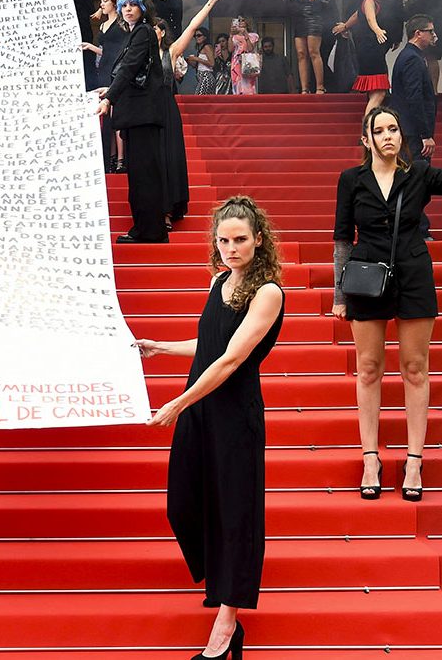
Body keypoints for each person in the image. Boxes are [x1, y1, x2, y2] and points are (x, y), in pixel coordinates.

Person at [333, 106, 442, 502]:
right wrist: (340, 295)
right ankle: (370, 459)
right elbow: (343, 239)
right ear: (367, 140)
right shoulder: (351, 180)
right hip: (365, 279)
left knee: (415, 369)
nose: (388, 136)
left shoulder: (419, 175)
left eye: (393, 128)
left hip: (413, 276)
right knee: (367, 369)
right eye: (379, 131)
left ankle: (414, 459)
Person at [137, 196, 285, 660]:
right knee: (182, 503)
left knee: (235, 513)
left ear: (258, 240)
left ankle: (227, 619)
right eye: (223, 240)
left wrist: (179, 402)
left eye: (240, 240)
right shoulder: (219, 280)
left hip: (232, 414)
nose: (231, 248)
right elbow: (208, 343)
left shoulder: (268, 292)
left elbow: (233, 358)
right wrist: (160, 347)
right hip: (201, 406)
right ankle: (219, 581)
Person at [96, 0, 167, 244]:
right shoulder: (138, 33)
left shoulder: (143, 32)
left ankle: (148, 231)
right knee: (140, 174)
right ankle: (148, 229)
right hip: (139, 114)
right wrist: (111, 89)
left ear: (142, 8)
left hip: (142, 114)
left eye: (132, 5)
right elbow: (126, 71)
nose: (127, 9)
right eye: (124, 5)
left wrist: (109, 98)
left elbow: (129, 68)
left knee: (143, 175)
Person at [157, 0, 220, 227]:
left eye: (154, 30)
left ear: (162, 33)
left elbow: (192, 26)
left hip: (167, 110)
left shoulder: (171, 52)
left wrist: (210, 3)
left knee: (170, 159)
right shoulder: (139, 53)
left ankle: (169, 209)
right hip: (147, 111)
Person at [334, 0, 395, 118]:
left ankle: (369, 126)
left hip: (367, 52)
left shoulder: (366, 2)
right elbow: (370, 18)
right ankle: (367, 128)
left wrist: (345, 26)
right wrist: (377, 30)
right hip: (372, 52)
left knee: (375, 93)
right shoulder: (369, 1)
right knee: (379, 93)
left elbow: (357, 15)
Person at [83, 0, 124, 171]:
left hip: (116, 70)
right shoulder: (102, 26)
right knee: (106, 117)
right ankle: (111, 157)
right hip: (103, 69)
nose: (101, 4)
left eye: (105, 1)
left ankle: (121, 160)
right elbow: (106, 51)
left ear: (114, 2)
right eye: (101, 1)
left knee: (116, 115)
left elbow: (121, 51)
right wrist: (91, 47)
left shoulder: (122, 23)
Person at [389, 15, 437, 165]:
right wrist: (425, 134)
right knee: (416, 177)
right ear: (418, 33)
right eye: (430, 31)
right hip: (413, 131)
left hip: (409, 129)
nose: (434, 35)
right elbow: (414, 97)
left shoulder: (408, 55)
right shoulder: (412, 59)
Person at [285, 0, 329, 93]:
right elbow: (287, 0)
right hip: (300, 21)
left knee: (313, 52)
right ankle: (304, 89)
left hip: (314, 20)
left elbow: (327, 3)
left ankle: (320, 86)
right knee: (301, 54)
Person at [71, 0, 101, 90]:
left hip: (84, 22)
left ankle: (90, 87)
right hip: (64, 24)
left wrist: (101, 9)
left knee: (87, 53)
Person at [229, 16, 259, 95]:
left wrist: (246, 35)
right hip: (236, 62)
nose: (241, 22)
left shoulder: (253, 36)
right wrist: (231, 35)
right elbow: (230, 49)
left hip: (247, 62)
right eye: (239, 21)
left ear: (247, 22)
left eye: (243, 20)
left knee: (248, 86)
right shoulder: (234, 36)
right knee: (237, 83)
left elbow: (250, 49)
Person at [186, 26, 216, 95]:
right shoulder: (201, 48)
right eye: (195, 36)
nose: (197, 37)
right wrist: (188, 60)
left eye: (199, 35)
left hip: (206, 76)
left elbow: (212, 63)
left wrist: (197, 59)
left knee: (198, 98)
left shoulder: (207, 47)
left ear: (205, 37)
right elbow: (198, 66)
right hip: (202, 77)